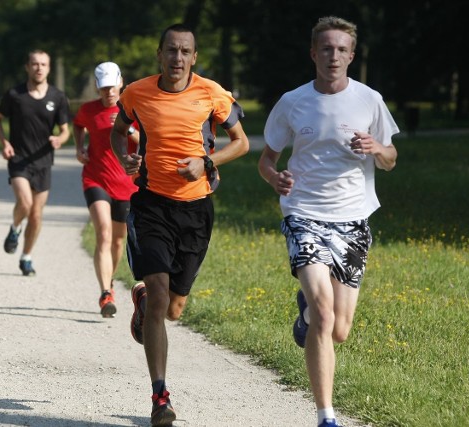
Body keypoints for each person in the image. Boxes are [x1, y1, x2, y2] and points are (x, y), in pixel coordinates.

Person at [257, 16, 399, 427]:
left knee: (339, 330)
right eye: (326, 48)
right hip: (304, 215)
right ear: (313, 53)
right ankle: (326, 416)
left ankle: (305, 319)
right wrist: (275, 178)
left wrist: (377, 148)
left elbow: (391, 160)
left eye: (341, 49)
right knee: (324, 313)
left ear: (351, 55)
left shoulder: (370, 100)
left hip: (353, 220)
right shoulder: (293, 101)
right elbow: (267, 160)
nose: (333, 55)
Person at [111, 23, 249, 427]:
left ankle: (142, 304)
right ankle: (160, 397)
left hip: (196, 209)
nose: (177, 58)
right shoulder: (136, 93)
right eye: (171, 50)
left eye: (185, 52)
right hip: (151, 204)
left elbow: (240, 142)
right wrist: (126, 158)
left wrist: (206, 163)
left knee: (174, 308)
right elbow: (120, 133)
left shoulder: (213, 94)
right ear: (159, 54)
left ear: (194, 57)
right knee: (159, 296)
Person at [0, 50, 71, 277]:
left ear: (48, 68)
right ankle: (15, 228)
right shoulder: (14, 95)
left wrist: (59, 139)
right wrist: (3, 141)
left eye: (43, 64)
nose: (39, 68)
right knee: (25, 204)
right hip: (18, 159)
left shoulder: (57, 97)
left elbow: (65, 130)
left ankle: (26, 256)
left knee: (36, 215)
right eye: (35, 64)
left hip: (43, 161)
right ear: (27, 67)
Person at [73, 62, 139, 318]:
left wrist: (128, 128)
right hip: (95, 179)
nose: (109, 93)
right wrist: (80, 148)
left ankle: (109, 280)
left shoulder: (134, 109)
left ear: (121, 82)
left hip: (127, 184)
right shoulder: (88, 110)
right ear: (97, 88)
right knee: (103, 232)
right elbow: (78, 125)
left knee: (119, 240)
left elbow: (147, 141)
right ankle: (105, 293)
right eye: (103, 89)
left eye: (112, 87)